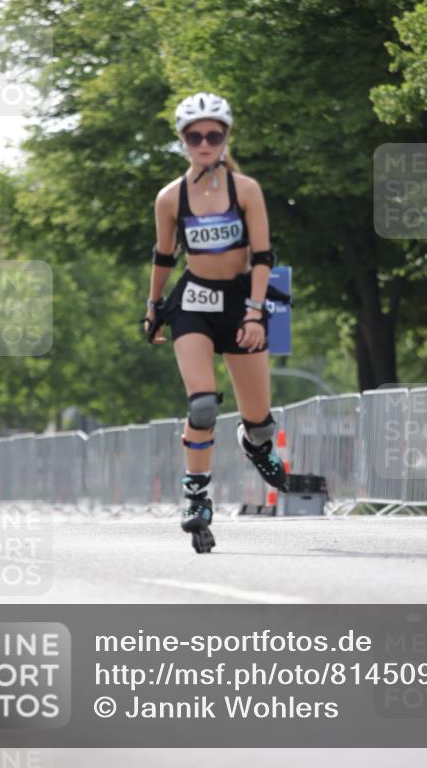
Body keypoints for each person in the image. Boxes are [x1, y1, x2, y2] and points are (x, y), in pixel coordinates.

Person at [140, 92, 292, 552]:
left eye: (213, 135)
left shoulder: (246, 190)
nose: (204, 143)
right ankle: (196, 498)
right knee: (202, 406)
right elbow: (164, 255)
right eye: (194, 136)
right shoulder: (171, 197)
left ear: (225, 137)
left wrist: (254, 313)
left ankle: (256, 444)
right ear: (183, 140)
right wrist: (153, 307)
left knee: (259, 421)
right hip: (193, 302)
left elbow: (263, 257)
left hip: (239, 302)